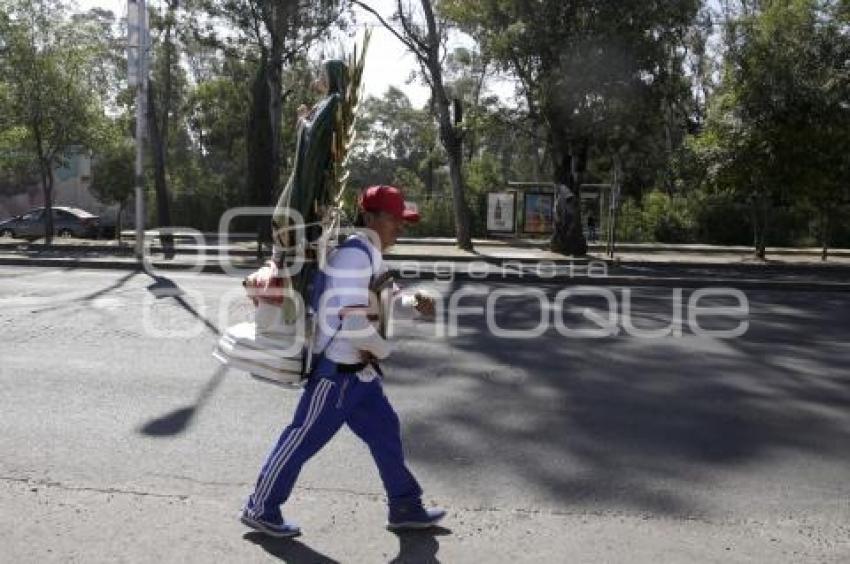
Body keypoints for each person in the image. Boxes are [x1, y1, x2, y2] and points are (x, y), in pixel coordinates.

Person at [240, 185, 446, 538]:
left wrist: (414, 304)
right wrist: (384, 351)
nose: (400, 226)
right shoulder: (354, 257)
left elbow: (381, 306)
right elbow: (353, 322)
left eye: (402, 220)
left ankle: (405, 506)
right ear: (370, 218)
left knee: (386, 433)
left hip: (359, 376)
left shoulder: (370, 254)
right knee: (301, 439)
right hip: (337, 374)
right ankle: (260, 507)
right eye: (394, 219)